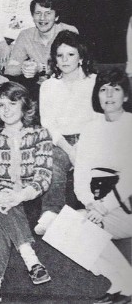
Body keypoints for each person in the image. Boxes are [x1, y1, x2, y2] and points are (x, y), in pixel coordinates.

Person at [0, 81, 53, 304]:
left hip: (29, 200)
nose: (6, 110)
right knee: (2, 211)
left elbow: (43, 176)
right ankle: (31, 260)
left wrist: (20, 196)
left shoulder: (40, 135)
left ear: (25, 105)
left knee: (3, 216)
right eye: (1, 105)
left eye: (12, 103)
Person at [73, 69, 132, 304]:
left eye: (115, 89)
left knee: (82, 226)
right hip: (98, 203)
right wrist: (90, 204)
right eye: (103, 89)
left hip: (126, 207)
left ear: (125, 96)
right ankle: (122, 281)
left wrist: (103, 208)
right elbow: (80, 174)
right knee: (57, 225)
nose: (108, 94)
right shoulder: (90, 128)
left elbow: (129, 179)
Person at [35, 30, 97, 235]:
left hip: (90, 137)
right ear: (54, 59)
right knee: (52, 161)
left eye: (70, 54)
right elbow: (48, 124)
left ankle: (96, 212)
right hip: (60, 141)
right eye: (60, 55)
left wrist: (82, 145)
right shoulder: (48, 86)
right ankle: (51, 213)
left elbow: (98, 117)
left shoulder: (94, 82)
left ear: (81, 57)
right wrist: (70, 150)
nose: (65, 60)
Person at [5, 0, 78, 98]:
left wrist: (42, 68)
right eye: (38, 13)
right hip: (40, 90)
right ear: (32, 16)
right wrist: (25, 67)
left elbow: (75, 66)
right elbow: (10, 69)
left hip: (68, 86)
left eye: (48, 13)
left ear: (56, 17)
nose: (42, 18)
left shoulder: (68, 31)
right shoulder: (26, 35)